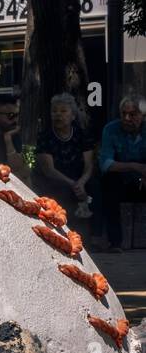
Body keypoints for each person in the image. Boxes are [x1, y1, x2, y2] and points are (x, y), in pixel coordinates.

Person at [35, 93, 93, 228]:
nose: (58, 115)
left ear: (73, 115)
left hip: (79, 177)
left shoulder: (82, 134)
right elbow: (48, 170)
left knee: (96, 188)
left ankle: (97, 237)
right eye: (54, 111)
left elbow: (89, 165)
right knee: (62, 191)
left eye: (63, 111)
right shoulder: (45, 136)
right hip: (56, 178)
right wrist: (73, 184)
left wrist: (81, 182)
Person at [100, 95, 146, 252]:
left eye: (132, 114)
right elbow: (105, 164)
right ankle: (115, 243)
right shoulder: (111, 129)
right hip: (122, 182)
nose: (126, 118)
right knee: (108, 181)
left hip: (143, 181)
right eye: (123, 114)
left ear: (142, 116)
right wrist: (134, 167)